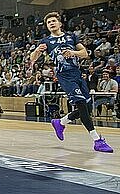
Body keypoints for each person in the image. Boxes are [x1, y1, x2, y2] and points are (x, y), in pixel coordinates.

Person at [29, 12, 113, 152]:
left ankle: (60, 122)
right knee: (80, 104)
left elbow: (85, 53)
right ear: (47, 26)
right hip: (64, 76)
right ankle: (97, 140)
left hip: (78, 74)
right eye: (49, 22)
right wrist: (37, 50)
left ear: (60, 23)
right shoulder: (46, 41)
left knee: (86, 109)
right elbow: (32, 58)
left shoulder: (71, 37)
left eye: (53, 21)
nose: (51, 23)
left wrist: (73, 53)